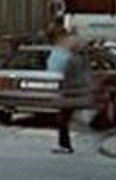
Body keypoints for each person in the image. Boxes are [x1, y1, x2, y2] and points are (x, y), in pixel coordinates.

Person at [49, 23, 90, 154]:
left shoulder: (70, 57)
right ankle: (65, 144)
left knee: (62, 118)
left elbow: (69, 73)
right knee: (63, 118)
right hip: (72, 90)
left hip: (71, 91)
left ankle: (65, 145)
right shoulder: (73, 56)